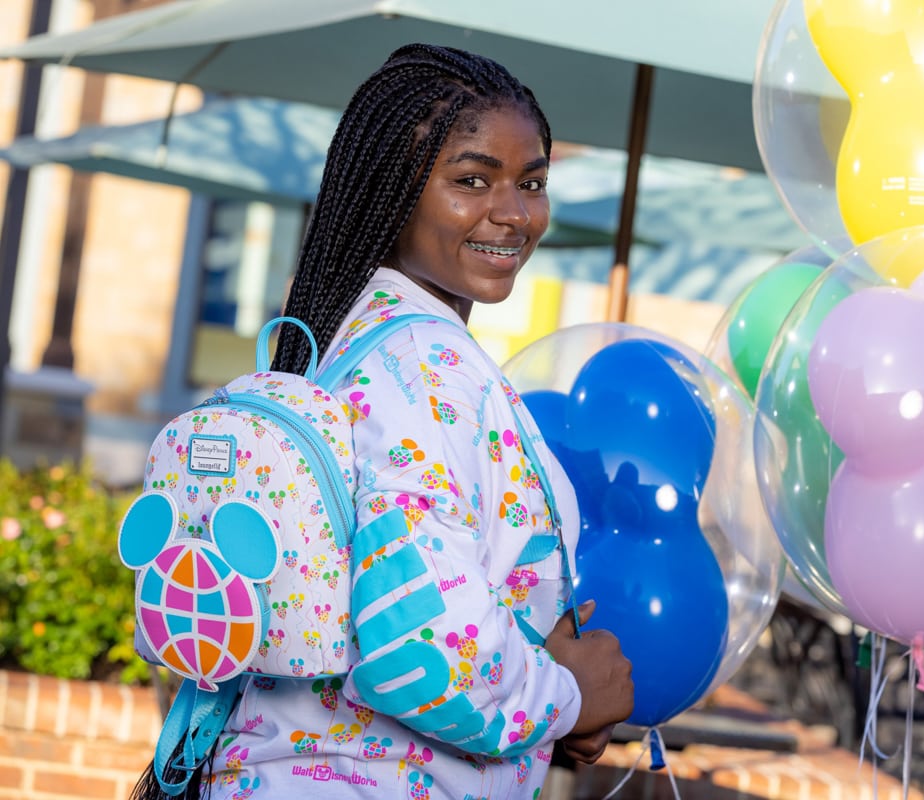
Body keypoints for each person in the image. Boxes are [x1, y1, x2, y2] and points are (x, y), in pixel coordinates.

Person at [133, 42, 634, 800]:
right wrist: (568, 694)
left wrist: (541, 709)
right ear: (395, 188)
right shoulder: (425, 370)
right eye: (472, 180)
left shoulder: (339, 346)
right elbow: (425, 659)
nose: (513, 213)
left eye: (531, 182)